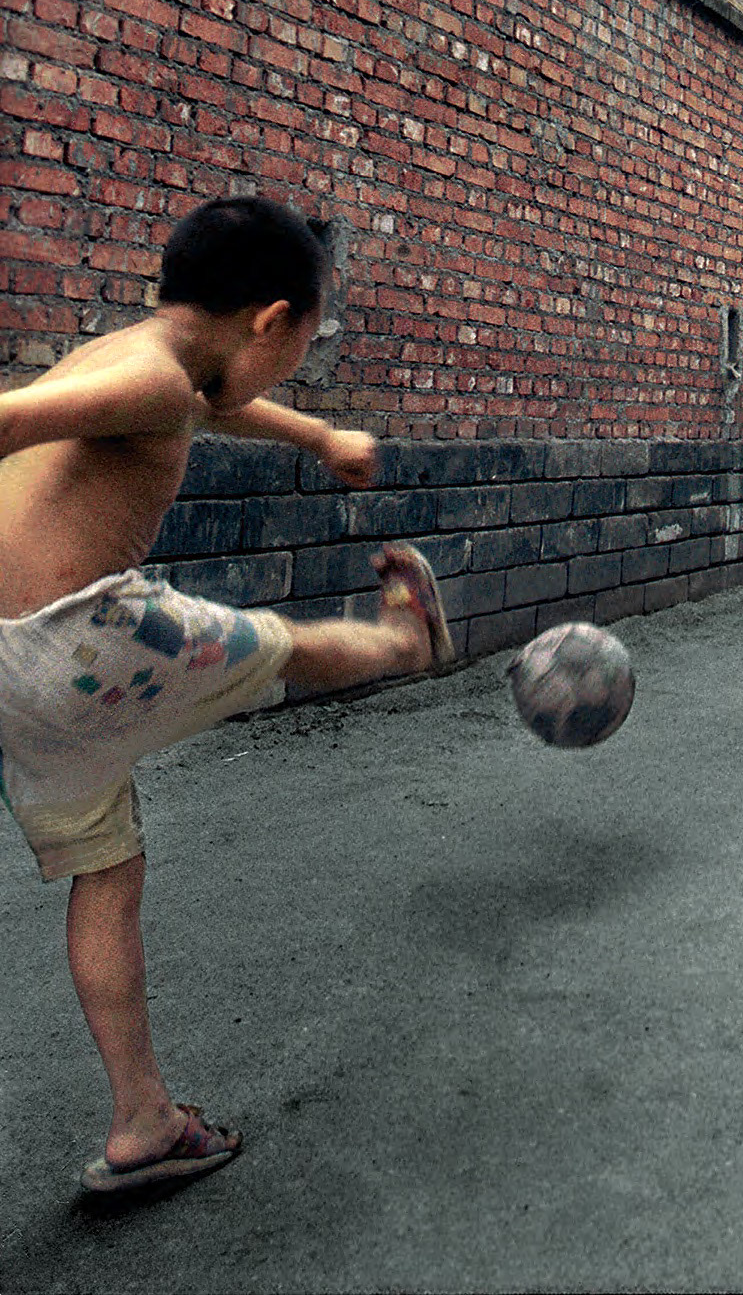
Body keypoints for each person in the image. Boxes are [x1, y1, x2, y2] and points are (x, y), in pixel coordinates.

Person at [0, 194, 454, 1195]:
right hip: (86, 637)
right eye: (306, 341)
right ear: (271, 320)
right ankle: (399, 639)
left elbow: (214, 401)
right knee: (285, 645)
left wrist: (317, 435)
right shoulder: (149, 378)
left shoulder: (135, 360)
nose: (297, 359)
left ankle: (142, 1122)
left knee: (105, 869)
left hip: (12, 671)